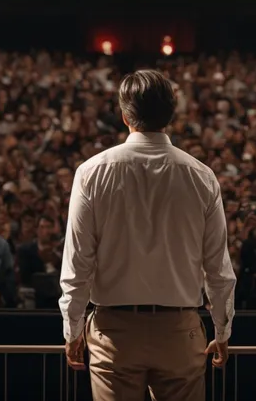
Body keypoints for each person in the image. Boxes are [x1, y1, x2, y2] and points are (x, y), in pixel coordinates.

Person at [59, 69, 237, 401]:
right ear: (170, 115)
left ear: (125, 115)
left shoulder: (91, 172)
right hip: (179, 330)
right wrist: (222, 330)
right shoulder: (201, 176)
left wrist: (72, 329)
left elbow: (78, 263)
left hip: (115, 331)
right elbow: (218, 268)